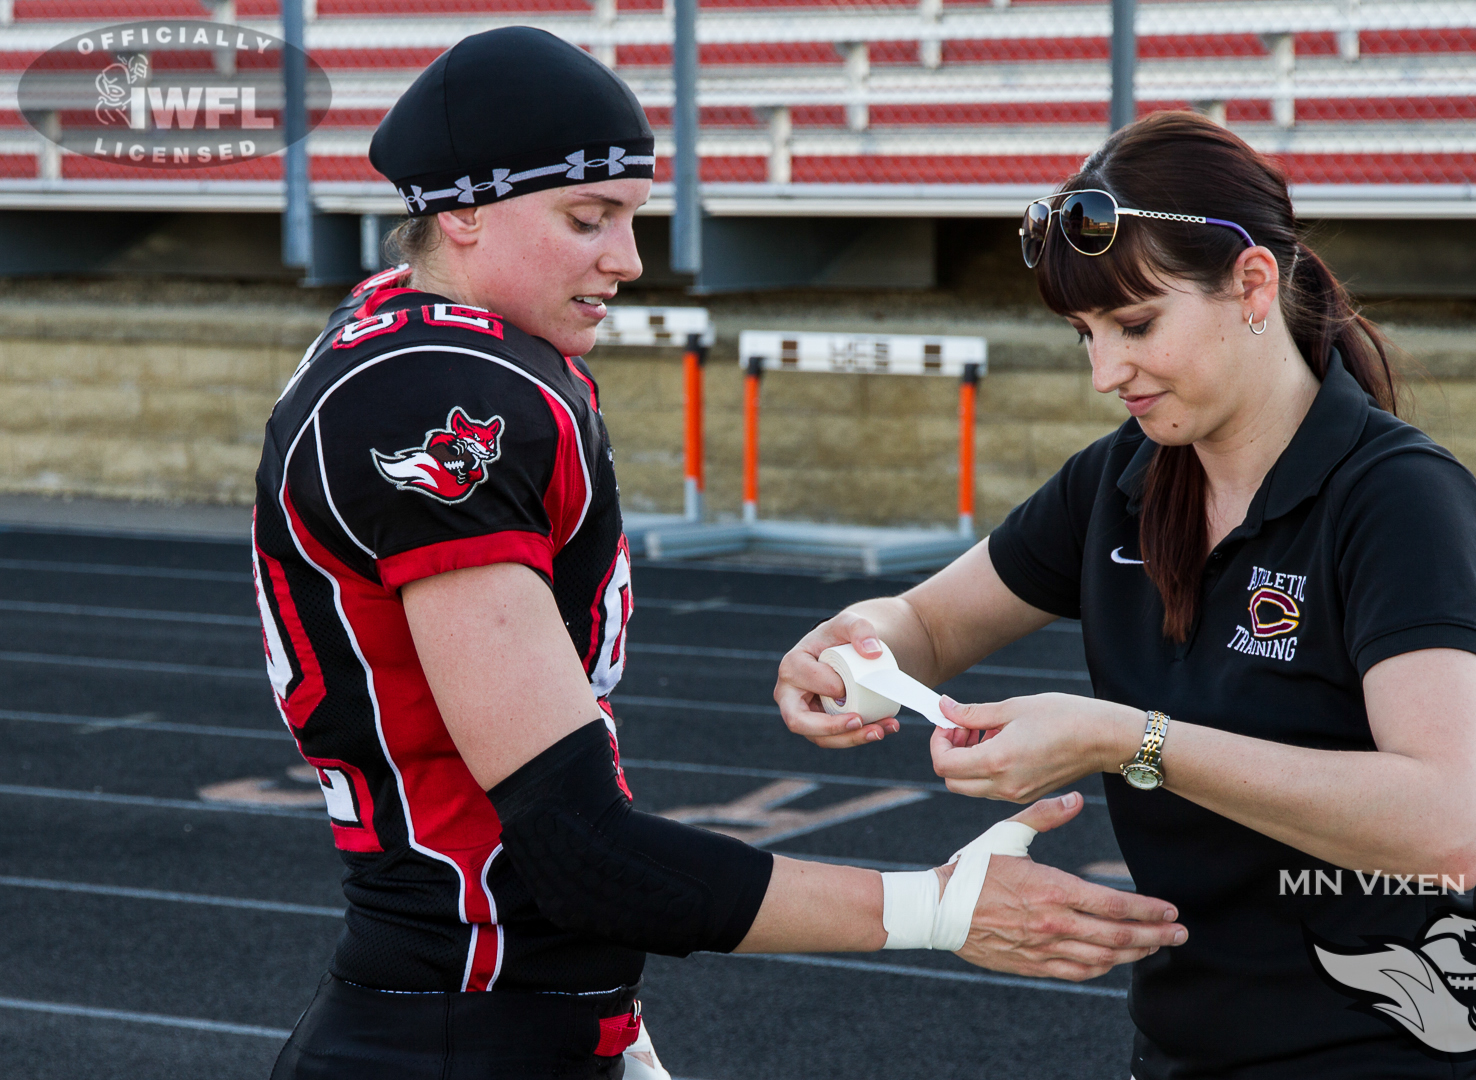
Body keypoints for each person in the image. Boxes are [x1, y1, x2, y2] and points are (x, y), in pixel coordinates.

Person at [253, 28, 1187, 1080]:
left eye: (630, 219)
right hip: (455, 1025)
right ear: (462, 210)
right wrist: (938, 909)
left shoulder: (401, 336)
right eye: (586, 219)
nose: (627, 259)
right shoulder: (443, 396)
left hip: (498, 1003)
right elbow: (578, 850)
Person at [775, 111, 1476, 1079]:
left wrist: (1127, 741)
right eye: (1085, 334)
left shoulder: (1399, 498)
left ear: (1253, 284)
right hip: (1181, 1052)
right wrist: (853, 648)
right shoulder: (1122, 478)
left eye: (1134, 325)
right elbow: (927, 621)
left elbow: (1449, 826)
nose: (1104, 373)